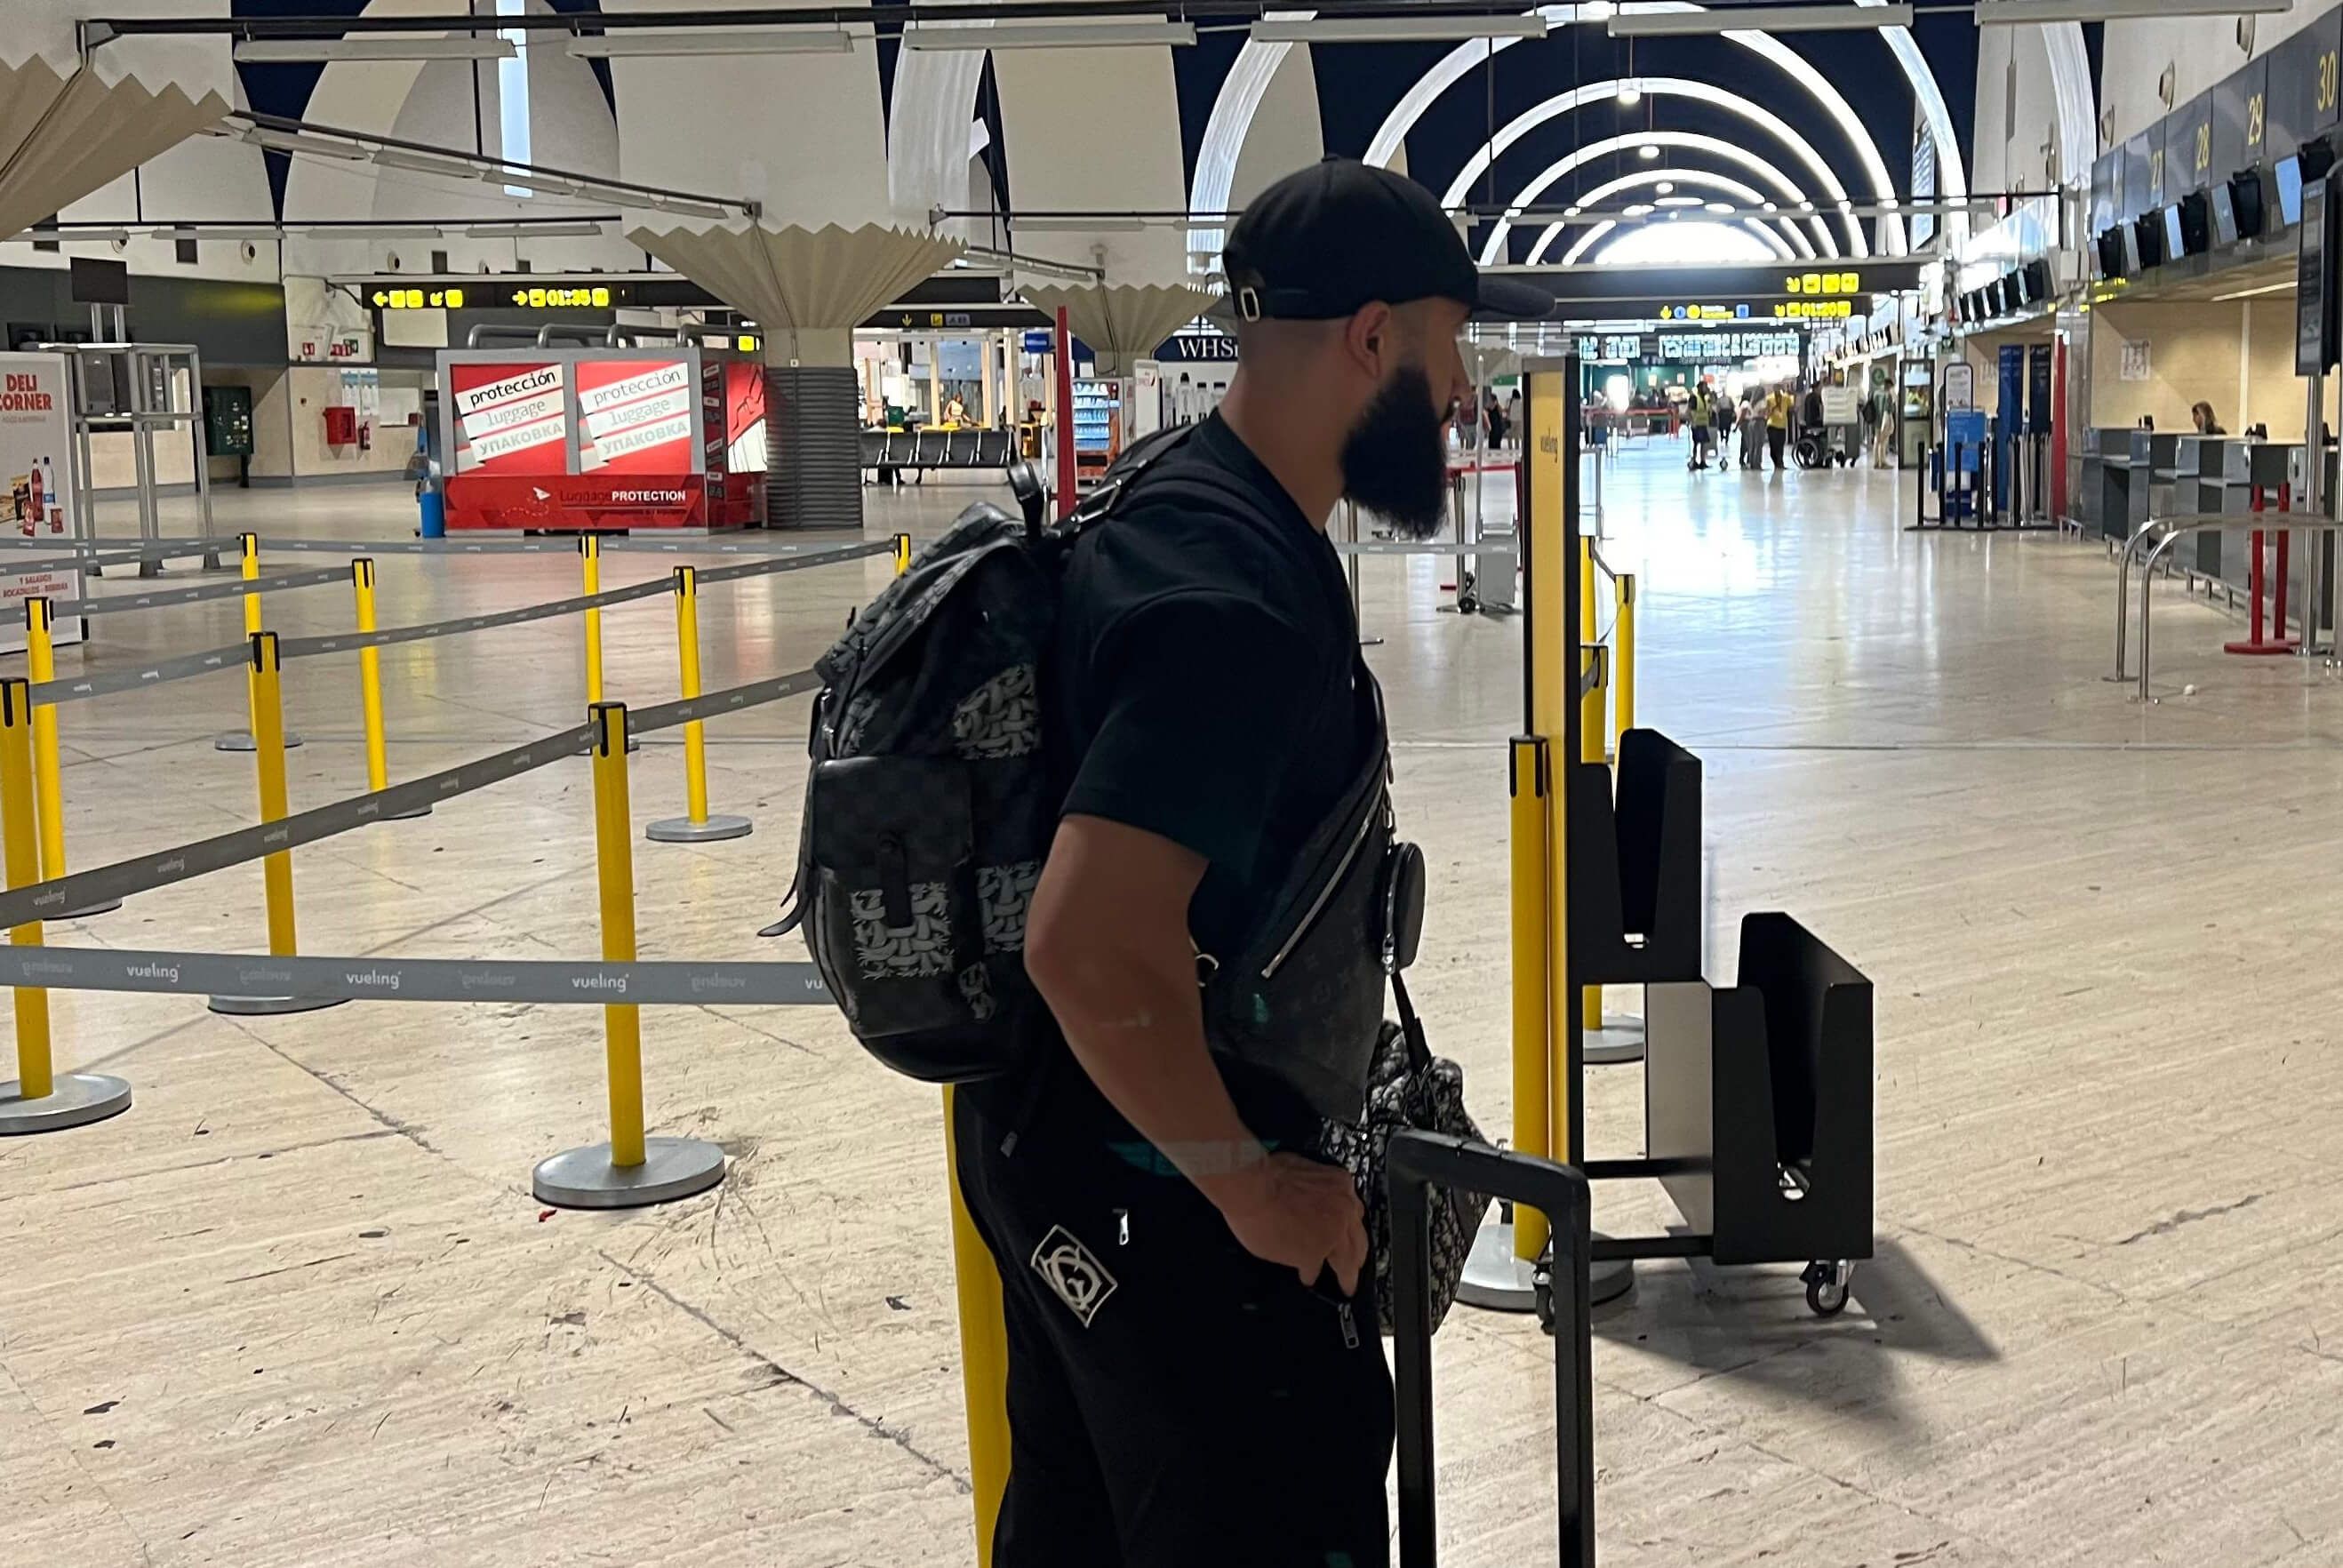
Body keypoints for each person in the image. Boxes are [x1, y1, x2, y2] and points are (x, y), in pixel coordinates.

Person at [955, 156, 1553, 1568]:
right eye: (1451, 346)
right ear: (1374, 337)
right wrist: (1248, 1185)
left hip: (1058, 1153)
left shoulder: (1183, 494)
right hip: (1169, 1203)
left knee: (1084, 1527)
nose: (1462, 390)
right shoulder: (1237, 603)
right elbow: (1087, 940)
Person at [1765, 382, 1794, 470]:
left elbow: (1791, 407)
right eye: (1776, 388)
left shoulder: (1786, 397)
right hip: (1772, 425)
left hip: (1782, 425)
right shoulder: (1769, 398)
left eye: (1779, 388)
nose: (1777, 390)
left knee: (1780, 446)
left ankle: (1780, 463)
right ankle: (1776, 462)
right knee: (1773, 446)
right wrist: (1771, 410)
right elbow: (1767, 413)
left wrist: (1793, 395)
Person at [1688, 382, 1714, 471]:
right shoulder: (1694, 398)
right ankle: (1694, 461)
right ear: (1700, 388)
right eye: (1705, 387)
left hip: (1703, 424)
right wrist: (1692, 422)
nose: (1706, 389)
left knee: (1704, 443)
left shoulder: (1706, 398)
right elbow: (1689, 411)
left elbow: (1709, 409)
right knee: (1696, 443)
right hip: (1696, 424)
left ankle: (1703, 461)